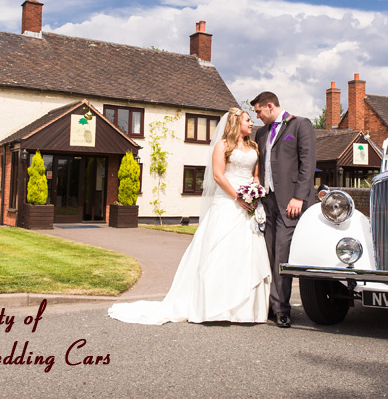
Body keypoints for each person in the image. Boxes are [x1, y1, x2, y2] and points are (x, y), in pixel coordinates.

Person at [108, 108, 271, 325]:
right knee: (220, 251)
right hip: (228, 202)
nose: (251, 124)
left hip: (249, 206)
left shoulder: (253, 147)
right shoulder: (222, 145)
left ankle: (244, 309)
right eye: (247, 120)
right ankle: (214, 307)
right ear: (235, 122)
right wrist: (238, 197)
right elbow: (218, 175)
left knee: (246, 252)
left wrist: (255, 193)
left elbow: (256, 175)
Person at [251, 91, 316, 328]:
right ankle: (267, 305)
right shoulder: (261, 133)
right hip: (266, 201)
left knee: (281, 254)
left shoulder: (300, 125)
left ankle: (281, 309)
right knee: (266, 254)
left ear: (270, 106)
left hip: (290, 203)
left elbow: (308, 163)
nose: (257, 116)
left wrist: (298, 196)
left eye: (259, 111)